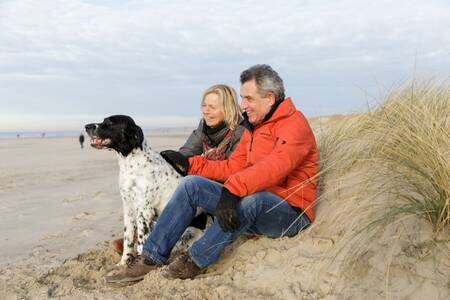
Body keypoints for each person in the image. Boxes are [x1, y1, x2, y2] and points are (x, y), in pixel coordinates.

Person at [105, 64, 319, 283]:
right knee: (191, 185)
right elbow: (232, 167)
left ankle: (193, 261)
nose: (243, 106)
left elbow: (275, 167)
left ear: (270, 98)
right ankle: (150, 258)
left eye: (248, 99)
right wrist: (190, 165)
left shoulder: (294, 125)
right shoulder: (255, 128)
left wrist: (233, 191)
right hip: (252, 203)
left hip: (289, 213)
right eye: (242, 99)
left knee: (254, 200)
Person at [110, 84, 245, 255]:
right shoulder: (204, 128)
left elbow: (233, 170)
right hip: (205, 188)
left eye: (212, 107)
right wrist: (171, 160)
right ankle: (150, 236)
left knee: (190, 187)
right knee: (172, 189)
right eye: (204, 105)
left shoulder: (241, 133)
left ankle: (155, 245)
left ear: (228, 108)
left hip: (230, 194)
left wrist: (191, 165)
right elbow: (186, 153)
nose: (206, 111)